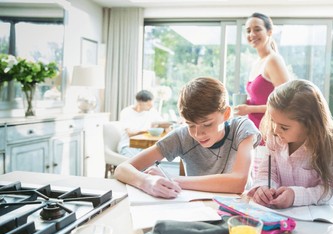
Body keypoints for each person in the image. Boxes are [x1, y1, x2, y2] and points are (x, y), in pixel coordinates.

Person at [114, 77, 261, 198]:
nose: (197, 134)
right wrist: (146, 181)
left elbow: (238, 182)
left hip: (239, 210)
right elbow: (122, 169)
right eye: (191, 125)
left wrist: (172, 180)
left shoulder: (242, 128)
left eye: (207, 124)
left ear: (226, 114)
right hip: (198, 208)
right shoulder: (182, 136)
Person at [246, 79, 333, 209]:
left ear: (309, 124)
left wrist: (295, 196)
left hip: (319, 219)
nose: (276, 130)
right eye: (273, 121)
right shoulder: (275, 136)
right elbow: (267, 171)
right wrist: (264, 188)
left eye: (284, 127)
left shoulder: (328, 144)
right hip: (280, 214)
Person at [234, 12, 290, 128]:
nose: (252, 34)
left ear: (269, 32)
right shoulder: (257, 63)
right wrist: (246, 105)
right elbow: (261, 98)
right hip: (257, 131)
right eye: (248, 31)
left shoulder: (273, 60)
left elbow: (286, 103)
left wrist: (250, 109)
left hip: (271, 132)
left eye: (257, 29)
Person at [117, 89, 170, 157]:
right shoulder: (126, 112)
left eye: (151, 104)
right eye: (148, 104)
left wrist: (171, 123)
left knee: (154, 160)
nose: (151, 106)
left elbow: (162, 123)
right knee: (136, 162)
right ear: (140, 103)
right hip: (128, 145)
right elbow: (130, 133)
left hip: (144, 146)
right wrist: (148, 131)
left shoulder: (151, 111)